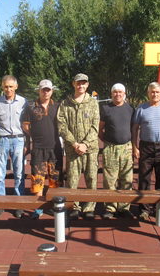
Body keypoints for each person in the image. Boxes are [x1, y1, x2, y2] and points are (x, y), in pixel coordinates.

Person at [57, 73, 100, 221]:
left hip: (90, 149)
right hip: (72, 149)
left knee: (91, 179)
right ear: (73, 84)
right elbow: (61, 126)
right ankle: (74, 206)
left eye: (84, 83)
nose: (81, 85)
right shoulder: (65, 104)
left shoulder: (93, 103)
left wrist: (85, 144)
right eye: (78, 83)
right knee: (72, 180)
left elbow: (95, 127)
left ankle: (89, 208)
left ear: (87, 85)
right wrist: (75, 143)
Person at [132, 82, 160, 221]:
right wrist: (135, 147)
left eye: (157, 92)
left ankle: (159, 208)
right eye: (152, 92)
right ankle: (143, 210)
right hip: (146, 146)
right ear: (148, 93)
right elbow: (134, 128)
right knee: (144, 179)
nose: (155, 94)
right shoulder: (141, 109)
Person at [22, 79, 63, 220]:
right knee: (37, 178)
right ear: (39, 90)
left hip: (55, 148)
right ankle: (38, 208)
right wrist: (35, 136)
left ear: (52, 91)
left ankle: (53, 206)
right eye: (43, 89)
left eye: (48, 90)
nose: (46, 92)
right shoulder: (31, 106)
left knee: (55, 179)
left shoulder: (58, 106)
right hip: (38, 148)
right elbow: (25, 126)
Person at [0, 75, 28, 218]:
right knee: (0, 173)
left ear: (16, 87)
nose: (8, 89)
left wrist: (27, 142)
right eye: (6, 86)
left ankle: (19, 204)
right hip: (2, 140)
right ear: (2, 87)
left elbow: (27, 124)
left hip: (18, 140)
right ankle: (0, 203)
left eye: (11, 86)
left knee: (19, 173)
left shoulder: (23, 102)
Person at [99, 83, 135, 220]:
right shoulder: (106, 108)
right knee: (110, 179)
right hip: (110, 148)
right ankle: (110, 208)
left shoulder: (130, 108)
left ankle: (124, 207)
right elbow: (100, 128)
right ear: (111, 93)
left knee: (127, 179)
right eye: (115, 92)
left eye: (120, 92)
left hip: (126, 147)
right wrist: (107, 142)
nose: (117, 94)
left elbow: (133, 128)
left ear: (124, 93)